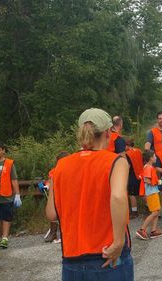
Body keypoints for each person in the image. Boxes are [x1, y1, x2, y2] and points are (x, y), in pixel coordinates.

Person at [46, 108, 133, 280]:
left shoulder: (61, 165)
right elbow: (117, 197)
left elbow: (51, 213)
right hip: (107, 255)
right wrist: (118, 242)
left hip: (72, 259)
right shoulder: (116, 161)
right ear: (108, 132)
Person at [137, 150, 162, 239]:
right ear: (150, 158)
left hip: (153, 192)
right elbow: (147, 180)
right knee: (155, 212)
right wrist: (157, 182)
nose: (156, 158)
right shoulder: (149, 168)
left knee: (156, 211)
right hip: (151, 193)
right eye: (154, 156)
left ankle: (153, 230)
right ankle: (142, 229)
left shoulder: (148, 167)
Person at [44, 151, 69, 243]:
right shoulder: (53, 171)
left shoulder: (72, 170)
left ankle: (64, 234)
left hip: (67, 196)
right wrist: (47, 185)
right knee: (54, 214)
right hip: (56, 196)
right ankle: (53, 233)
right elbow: (49, 181)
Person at [125, 138, 143, 219]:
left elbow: (128, 166)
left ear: (127, 146)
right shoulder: (139, 151)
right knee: (142, 193)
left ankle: (134, 212)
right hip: (141, 175)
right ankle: (151, 207)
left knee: (132, 194)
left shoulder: (127, 154)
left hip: (132, 176)